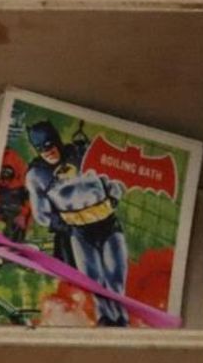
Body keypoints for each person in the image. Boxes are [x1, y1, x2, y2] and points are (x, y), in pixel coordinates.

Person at [22, 118, 131, 325]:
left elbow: (114, 181)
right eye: (41, 148)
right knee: (94, 282)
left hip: (107, 225)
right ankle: (106, 320)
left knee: (115, 281)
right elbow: (42, 214)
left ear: (57, 141)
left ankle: (121, 320)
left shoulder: (83, 154)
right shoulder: (37, 174)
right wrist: (66, 223)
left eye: (50, 145)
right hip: (79, 234)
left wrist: (113, 196)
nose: (48, 151)